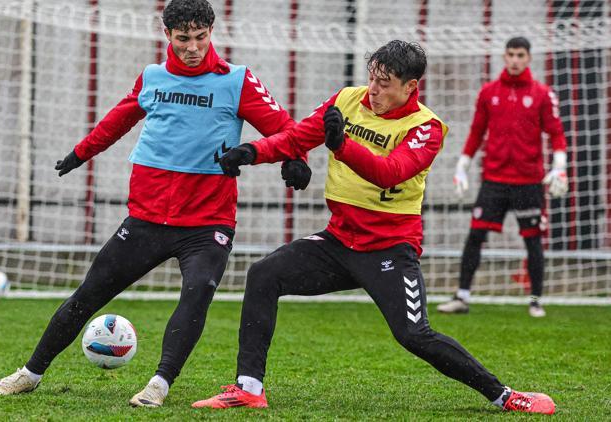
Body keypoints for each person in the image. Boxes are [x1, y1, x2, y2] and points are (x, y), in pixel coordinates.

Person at [190, 40, 556, 415]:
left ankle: (505, 395)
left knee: (414, 335)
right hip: (338, 241)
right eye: (372, 78)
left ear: (411, 86)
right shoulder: (347, 100)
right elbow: (297, 137)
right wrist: (252, 152)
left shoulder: (426, 127)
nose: (374, 89)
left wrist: (341, 146)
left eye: (385, 82)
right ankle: (249, 388)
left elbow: (389, 173)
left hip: (390, 249)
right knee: (264, 274)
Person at [0, 0, 311, 408]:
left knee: (197, 293)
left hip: (207, 223)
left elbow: (286, 128)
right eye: (183, 39)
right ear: (167, 36)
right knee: (87, 295)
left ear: (211, 31)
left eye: (200, 37)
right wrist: (80, 153)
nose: (192, 46)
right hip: (146, 219)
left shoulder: (237, 80)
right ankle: (29, 373)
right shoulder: (153, 78)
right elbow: (118, 119)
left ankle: (159, 383)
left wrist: (296, 158)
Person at [437, 37, 568, 318]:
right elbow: (476, 132)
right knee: (475, 235)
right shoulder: (488, 92)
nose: (515, 60)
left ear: (528, 57)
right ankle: (461, 297)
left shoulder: (543, 94)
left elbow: (556, 133)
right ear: (504, 57)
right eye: (510, 54)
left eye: (520, 54)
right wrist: (462, 167)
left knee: (532, 240)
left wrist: (559, 166)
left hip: (529, 181)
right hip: (494, 179)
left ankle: (535, 300)